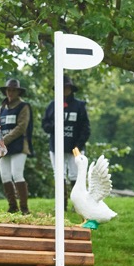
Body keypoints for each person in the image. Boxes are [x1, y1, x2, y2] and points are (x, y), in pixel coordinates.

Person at [41, 75, 91, 209]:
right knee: (59, 174)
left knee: (76, 175)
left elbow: (86, 128)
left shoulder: (79, 105)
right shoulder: (52, 105)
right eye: (61, 87)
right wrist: (55, 125)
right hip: (56, 147)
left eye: (66, 87)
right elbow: (45, 125)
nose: (64, 90)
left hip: (75, 147)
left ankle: (78, 205)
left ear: (71, 89)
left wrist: (78, 145)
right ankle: (61, 205)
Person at [0, 79, 34, 214]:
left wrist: (3, 140)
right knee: (5, 176)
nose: (10, 93)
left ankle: (24, 208)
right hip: (3, 147)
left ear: (18, 92)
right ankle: (12, 207)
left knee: (17, 174)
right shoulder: (1, 108)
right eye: (8, 90)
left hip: (19, 146)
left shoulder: (24, 106)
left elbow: (21, 127)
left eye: (13, 90)